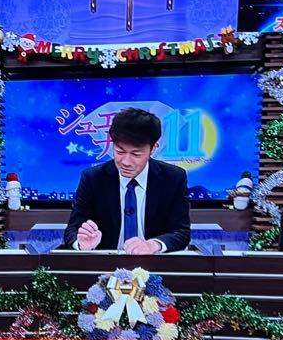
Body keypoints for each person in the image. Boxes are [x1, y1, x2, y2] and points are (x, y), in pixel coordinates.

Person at [62, 108, 191, 254]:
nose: (126, 162)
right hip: (106, 263)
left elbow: (182, 233)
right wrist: (82, 244)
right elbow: (72, 230)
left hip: (154, 262)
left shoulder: (173, 178)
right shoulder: (93, 178)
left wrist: (152, 245)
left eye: (136, 154)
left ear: (153, 148)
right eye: (120, 151)